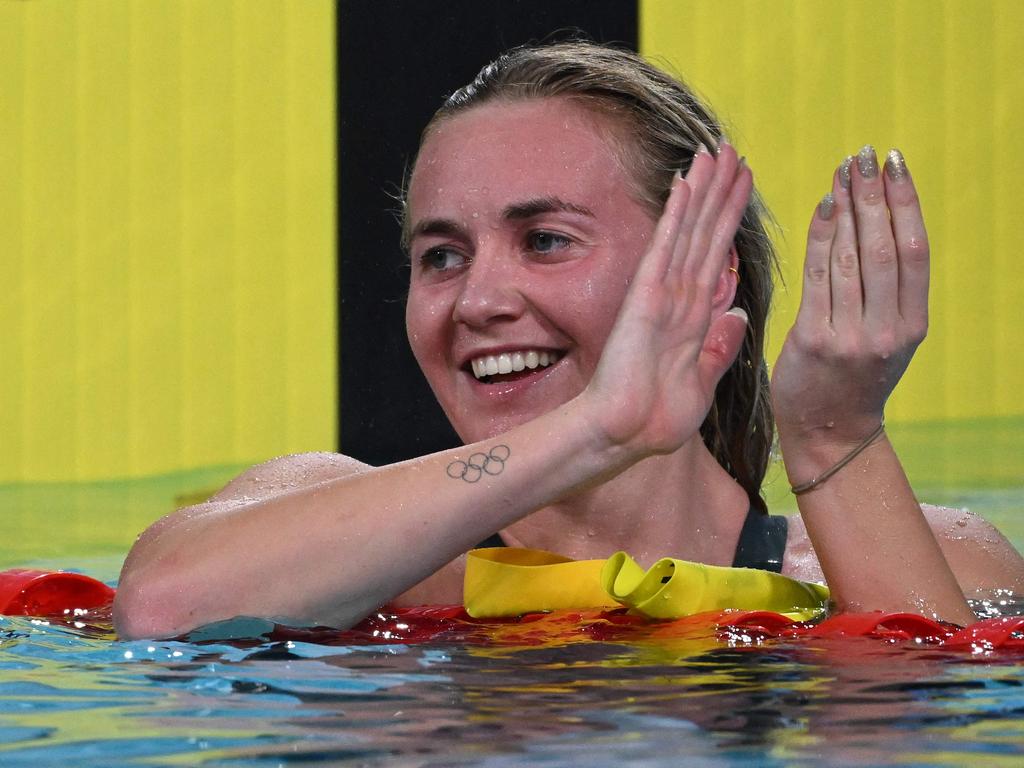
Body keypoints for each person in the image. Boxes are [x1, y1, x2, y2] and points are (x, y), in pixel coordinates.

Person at [113, 41, 1024, 640]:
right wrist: (599, 430)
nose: (477, 299)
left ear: (710, 274)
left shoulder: (938, 559)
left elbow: (922, 734)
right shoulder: (332, 528)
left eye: (544, 240)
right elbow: (158, 609)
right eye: (440, 256)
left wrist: (836, 443)